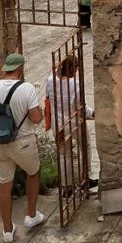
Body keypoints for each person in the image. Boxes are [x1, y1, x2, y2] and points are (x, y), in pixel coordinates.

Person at [0, 53, 45, 243]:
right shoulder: (27, 88)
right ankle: (31, 215)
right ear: (21, 68)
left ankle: (7, 230)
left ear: (6, 68)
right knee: (33, 173)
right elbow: (36, 118)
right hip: (22, 142)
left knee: (4, 184)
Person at [44, 56, 93, 194]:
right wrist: (92, 113)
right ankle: (85, 179)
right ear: (73, 69)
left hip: (57, 124)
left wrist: (56, 67)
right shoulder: (75, 84)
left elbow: (48, 97)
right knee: (85, 147)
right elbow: (80, 105)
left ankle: (66, 187)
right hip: (73, 121)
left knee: (64, 154)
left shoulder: (50, 81)